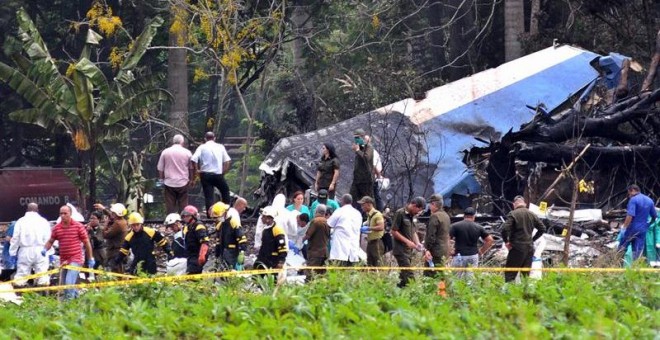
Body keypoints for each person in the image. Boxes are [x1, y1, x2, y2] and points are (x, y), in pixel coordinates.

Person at [43, 205, 94, 299]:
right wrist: (45, 249)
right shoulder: (57, 228)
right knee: (65, 285)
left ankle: (69, 305)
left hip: (76, 258)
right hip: (64, 260)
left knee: (69, 283)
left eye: (65, 213)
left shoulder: (78, 226)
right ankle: (79, 301)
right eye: (61, 213)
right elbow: (51, 241)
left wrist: (90, 258)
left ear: (70, 214)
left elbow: (87, 243)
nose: (62, 215)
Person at [501, 195, 546, 283]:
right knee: (525, 275)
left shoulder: (513, 214)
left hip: (516, 248)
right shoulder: (532, 214)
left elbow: (504, 229)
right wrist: (533, 239)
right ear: (525, 204)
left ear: (514, 205)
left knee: (510, 274)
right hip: (529, 248)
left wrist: (506, 242)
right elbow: (542, 228)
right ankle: (525, 293)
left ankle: (508, 294)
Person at [9, 203, 51, 288]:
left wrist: (12, 253)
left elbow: (15, 238)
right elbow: (48, 238)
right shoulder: (43, 221)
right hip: (41, 250)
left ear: (27, 210)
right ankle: (43, 297)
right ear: (38, 210)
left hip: (25, 251)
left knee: (21, 276)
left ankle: (21, 296)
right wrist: (49, 252)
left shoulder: (21, 221)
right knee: (42, 275)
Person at [191, 131, 232, 212]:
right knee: (225, 191)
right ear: (214, 138)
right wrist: (223, 172)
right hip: (218, 174)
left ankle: (210, 215)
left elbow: (193, 159)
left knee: (209, 196)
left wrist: (197, 171)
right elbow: (227, 161)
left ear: (205, 139)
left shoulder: (202, 147)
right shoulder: (220, 147)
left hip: (205, 175)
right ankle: (226, 211)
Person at [449, 207, 494, 280]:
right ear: (474, 216)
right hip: (473, 256)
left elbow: (447, 238)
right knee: (470, 280)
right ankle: (470, 291)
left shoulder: (455, 226)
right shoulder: (479, 227)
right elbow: (490, 240)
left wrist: (450, 250)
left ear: (464, 216)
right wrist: (481, 251)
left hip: (459, 255)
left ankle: (455, 291)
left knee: (455, 280)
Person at [391, 197, 426, 288]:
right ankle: (415, 293)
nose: (418, 213)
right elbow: (394, 231)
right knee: (409, 275)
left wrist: (417, 243)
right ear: (414, 206)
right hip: (400, 250)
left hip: (408, 251)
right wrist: (407, 242)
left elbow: (413, 231)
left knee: (403, 277)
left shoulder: (412, 216)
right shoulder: (400, 213)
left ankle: (398, 294)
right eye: (419, 210)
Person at [618, 184, 657, 261]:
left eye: (629, 193)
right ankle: (635, 268)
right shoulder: (649, 200)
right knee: (637, 251)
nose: (629, 195)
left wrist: (624, 227)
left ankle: (617, 265)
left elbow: (630, 215)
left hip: (631, 228)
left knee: (622, 248)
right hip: (642, 229)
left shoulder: (633, 200)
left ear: (632, 190)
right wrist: (648, 224)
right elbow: (654, 216)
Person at [157, 134, 193, 214]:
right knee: (183, 204)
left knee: (170, 205)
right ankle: (183, 221)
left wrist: (161, 180)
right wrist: (191, 180)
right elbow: (191, 168)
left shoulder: (165, 152)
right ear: (182, 142)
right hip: (183, 182)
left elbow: (160, 168)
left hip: (169, 182)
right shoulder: (187, 152)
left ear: (173, 141)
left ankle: (170, 221)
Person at [327, 194, 363, 266]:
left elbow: (329, 224)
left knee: (339, 271)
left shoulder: (340, 211)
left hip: (340, 249)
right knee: (350, 272)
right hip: (353, 249)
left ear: (342, 201)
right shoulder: (357, 213)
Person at [209, 202, 247, 270]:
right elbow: (218, 242)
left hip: (233, 253)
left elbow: (242, 239)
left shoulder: (233, 222)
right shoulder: (220, 225)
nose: (217, 219)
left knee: (232, 272)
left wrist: (242, 253)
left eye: (218, 217)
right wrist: (217, 255)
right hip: (223, 253)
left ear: (225, 212)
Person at [95, 202, 129, 273]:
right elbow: (112, 216)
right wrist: (104, 209)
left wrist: (106, 224)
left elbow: (106, 235)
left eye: (113, 213)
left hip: (115, 252)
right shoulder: (123, 221)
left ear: (116, 214)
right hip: (119, 251)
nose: (112, 214)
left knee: (116, 272)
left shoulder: (118, 224)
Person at [423, 194, 451, 276]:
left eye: (430, 204)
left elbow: (431, 235)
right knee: (441, 274)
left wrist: (427, 249)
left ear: (434, 204)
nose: (429, 207)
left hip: (435, 251)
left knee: (430, 275)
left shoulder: (435, 216)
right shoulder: (446, 216)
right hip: (444, 250)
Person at [303, 204, 330, 281]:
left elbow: (308, 235)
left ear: (316, 211)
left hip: (315, 252)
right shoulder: (327, 222)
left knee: (310, 273)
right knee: (322, 274)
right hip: (324, 252)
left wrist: (301, 241)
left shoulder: (315, 221)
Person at [180, 205, 210, 274]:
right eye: (184, 216)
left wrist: (202, 255)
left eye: (187, 216)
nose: (185, 218)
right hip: (191, 255)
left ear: (193, 216)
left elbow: (204, 242)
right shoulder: (188, 227)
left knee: (192, 276)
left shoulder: (199, 226)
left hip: (197, 255)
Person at [349, 129, 375, 210]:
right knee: (352, 197)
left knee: (367, 200)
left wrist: (358, 151)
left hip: (366, 179)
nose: (356, 139)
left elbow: (366, 158)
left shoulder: (369, 147)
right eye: (355, 138)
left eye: (358, 137)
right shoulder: (360, 147)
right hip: (357, 179)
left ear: (363, 137)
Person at [358, 196, 385, 267]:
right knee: (369, 262)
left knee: (377, 262)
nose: (362, 207)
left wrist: (369, 228)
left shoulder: (377, 215)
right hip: (370, 242)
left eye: (363, 205)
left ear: (369, 204)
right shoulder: (369, 215)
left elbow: (381, 227)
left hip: (376, 243)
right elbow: (368, 222)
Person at [365, 135, 385, 211]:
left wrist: (379, 176)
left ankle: (380, 211)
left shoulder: (371, 152)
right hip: (371, 177)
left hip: (372, 178)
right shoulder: (369, 151)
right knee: (374, 195)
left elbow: (373, 165)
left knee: (374, 195)